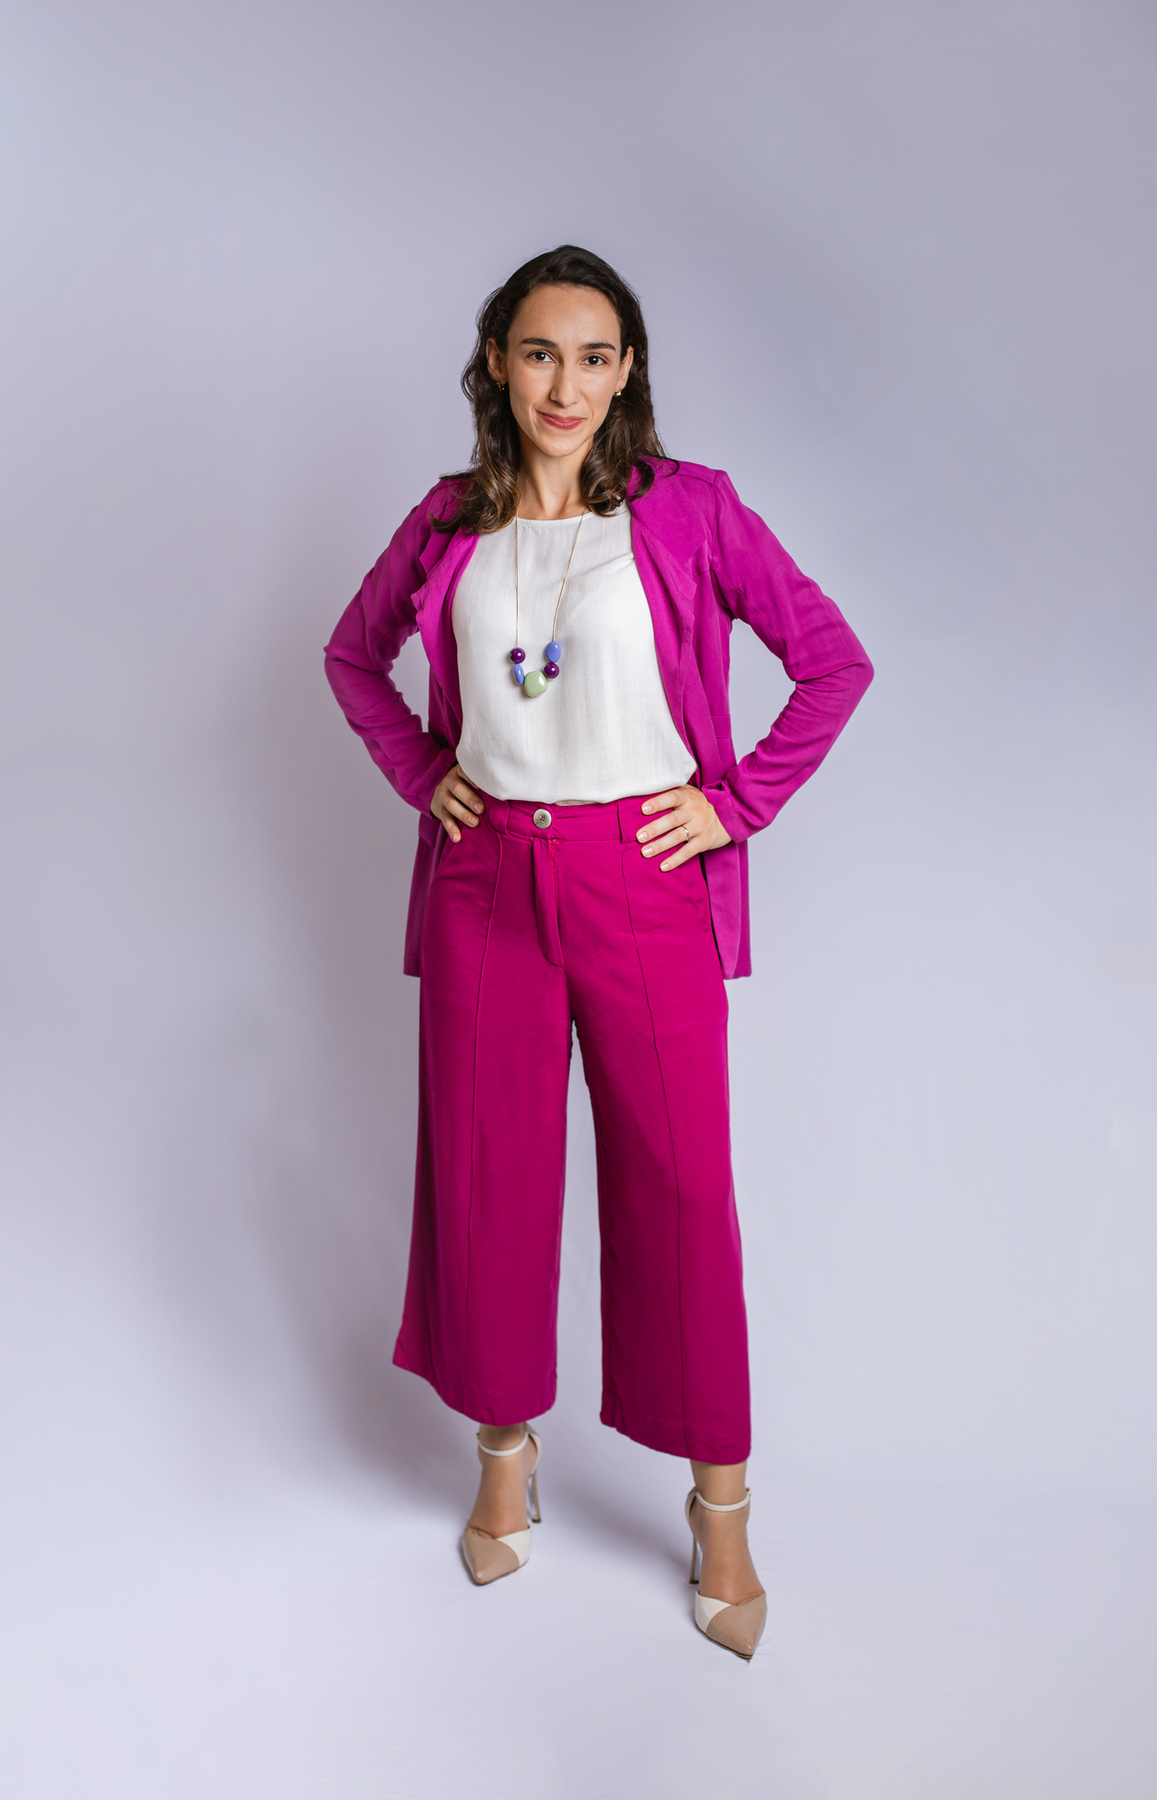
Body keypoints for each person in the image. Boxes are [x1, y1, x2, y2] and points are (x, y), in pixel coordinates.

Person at [324, 245, 872, 1659]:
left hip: (645, 882)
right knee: (490, 1179)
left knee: (681, 1190)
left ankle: (721, 1507)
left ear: (625, 373)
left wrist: (734, 802)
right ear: (495, 366)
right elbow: (351, 656)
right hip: (487, 886)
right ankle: (506, 1460)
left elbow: (833, 661)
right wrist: (423, 773)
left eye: (593, 356)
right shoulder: (449, 521)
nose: (564, 385)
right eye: (538, 353)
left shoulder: (691, 509)